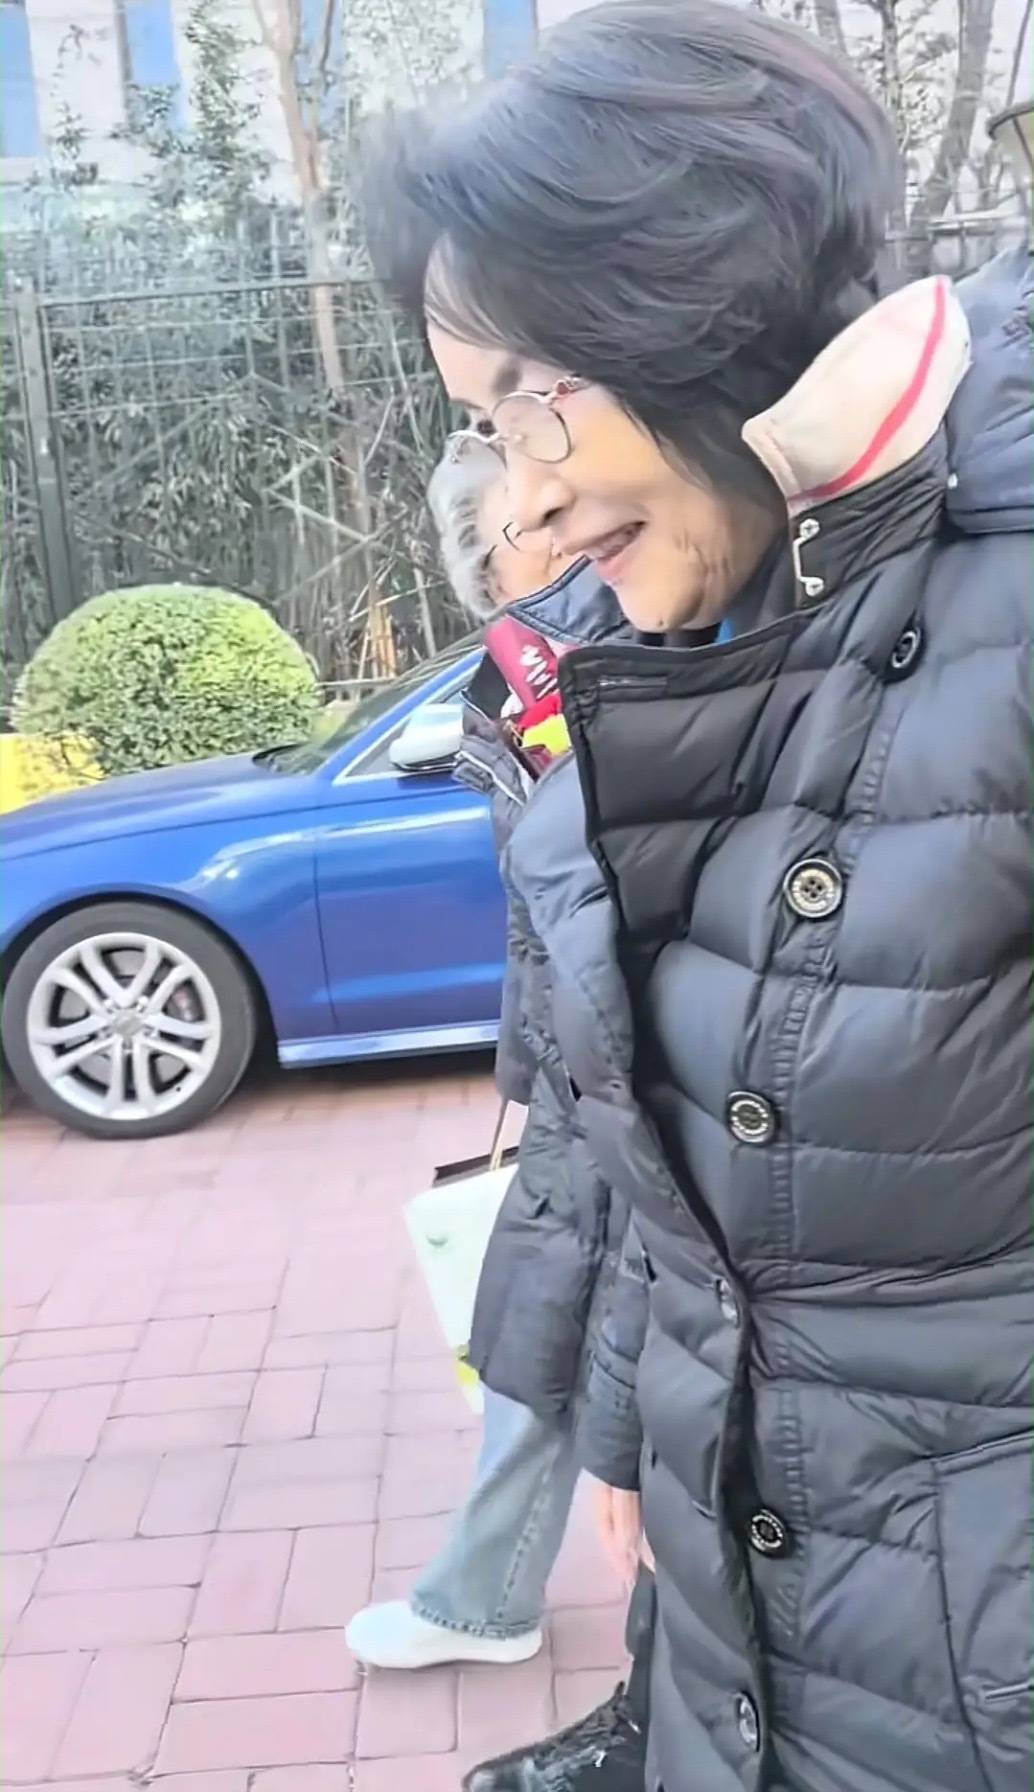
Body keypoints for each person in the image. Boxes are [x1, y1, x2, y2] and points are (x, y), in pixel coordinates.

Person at [363, 7, 1034, 1791]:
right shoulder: (632, 652)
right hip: (751, 1609)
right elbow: (612, 1116)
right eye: (482, 428)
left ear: (691, 310)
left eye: (535, 402)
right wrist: (623, 1432)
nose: (523, 508)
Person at [349, 437, 649, 1792]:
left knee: (610, 1352)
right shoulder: (513, 679)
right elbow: (536, 912)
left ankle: (514, 1606)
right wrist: (526, 1070)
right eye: (509, 522)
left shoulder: (639, 643)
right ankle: (486, 1595)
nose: (536, 523)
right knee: (539, 1334)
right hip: (583, 1076)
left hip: (656, 1079)